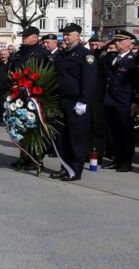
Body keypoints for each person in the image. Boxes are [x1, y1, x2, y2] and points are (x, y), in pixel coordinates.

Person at [52, 23, 97, 181]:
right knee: (62, 136)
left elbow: (89, 80)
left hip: (76, 102)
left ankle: (75, 170)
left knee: (76, 137)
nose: (65, 37)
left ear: (77, 35)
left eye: (69, 34)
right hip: (61, 100)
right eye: (64, 34)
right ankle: (65, 167)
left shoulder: (86, 55)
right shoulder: (62, 55)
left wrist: (83, 101)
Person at [9, 26, 54, 173]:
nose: (24, 38)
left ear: (35, 37)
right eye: (23, 35)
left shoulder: (42, 53)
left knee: (35, 129)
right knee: (21, 126)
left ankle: (36, 158)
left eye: (27, 36)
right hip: (20, 95)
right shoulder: (21, 52)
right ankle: (24, 156)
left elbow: (48, 74)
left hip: (36, 95)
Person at [102, 31, 139, 173]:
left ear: (129, 43)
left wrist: (136, 102)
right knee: (113, 133)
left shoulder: (134, 61)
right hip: (110, 100)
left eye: (120, 41)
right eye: (116, 41)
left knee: (125, 133)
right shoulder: (112, 58)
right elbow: (98, 57)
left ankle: (126, 161)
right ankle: (117, 159)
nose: (116, 43)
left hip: (125, 101)